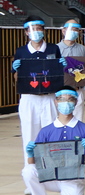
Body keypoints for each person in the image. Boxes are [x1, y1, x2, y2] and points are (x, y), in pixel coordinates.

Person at [22, 89, 85, 195]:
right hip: (51, 176)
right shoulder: (46, 131)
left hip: (73, 177)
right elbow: (33, 163)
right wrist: (30, 154)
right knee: (28, 171)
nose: (66, 103)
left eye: (70, 99)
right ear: (56, 102)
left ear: (76, 102)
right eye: (62, 99)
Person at [12, 17, 61, 165]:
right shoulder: (21, 51)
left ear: (44, 30)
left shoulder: (53, 49)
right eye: (32, 29)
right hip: (29, 98)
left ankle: (52, 171)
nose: (36, 32)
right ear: (26, 32)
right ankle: (31, 173)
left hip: (49, 97)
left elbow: (59, 74)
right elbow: (16, 78)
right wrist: (15, 70)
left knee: (52, 135)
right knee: (29, 135)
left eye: (39, 28)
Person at [56, 19, 85, 120]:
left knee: (78, 115)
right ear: (63, 31)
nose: (74, 32)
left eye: (76, 30)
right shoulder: (56, 48)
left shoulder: (82, 48)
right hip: (61, 88)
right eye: (71, 29)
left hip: (78, 88)